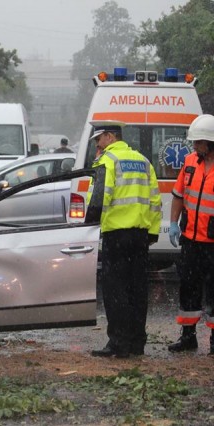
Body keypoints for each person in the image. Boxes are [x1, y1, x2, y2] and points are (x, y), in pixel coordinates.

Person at [88, 120, 162, 358]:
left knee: (115, 290)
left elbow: (99, 199)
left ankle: (118, 343)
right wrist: (151, 233)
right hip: (140, 237)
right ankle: (137, 343)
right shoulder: (143, 161)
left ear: (110, 136)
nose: (98, 145)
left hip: (116, 236)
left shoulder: (106, 161)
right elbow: (154, 200)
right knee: (137, 290)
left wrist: (88, 228)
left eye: (99, 139)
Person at [167, 114, 214, 354]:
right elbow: (178, 195)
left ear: (210, 142)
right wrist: (174, 223)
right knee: (188, 288)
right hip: (191, 240)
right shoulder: (189, 162)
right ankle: (188, 337)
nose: (194, 146)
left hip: (212, 243)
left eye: (198, 142)